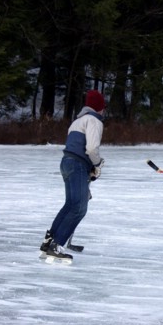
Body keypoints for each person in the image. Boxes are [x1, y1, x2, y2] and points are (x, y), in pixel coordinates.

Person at [39, 90, 106, 262]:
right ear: (99, 108)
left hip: (67, 163)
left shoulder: (77, 121)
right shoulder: (94, 120)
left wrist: (89, 165)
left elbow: (77, 146)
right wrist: (97, 165)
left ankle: (49, 241)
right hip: (77, 166)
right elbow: (91, 149)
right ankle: (57, 245)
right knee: (79, 208)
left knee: (70, 205)